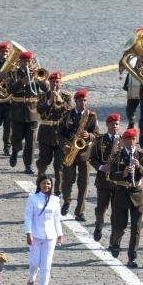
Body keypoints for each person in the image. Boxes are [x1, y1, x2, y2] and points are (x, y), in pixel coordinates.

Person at [107, 128, 143, 268]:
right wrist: (124, 173)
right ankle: (115, 243)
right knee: (119, 226)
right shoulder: (117, 155)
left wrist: (139, 168)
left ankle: (132, 257)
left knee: (136, 228)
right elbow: (110, 175)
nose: (131, 142)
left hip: (137, 195)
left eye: (134, 140)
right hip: (121, 193)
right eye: (129, 140)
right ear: (124, 141)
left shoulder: (142, 155)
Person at [59, 88, 97, 221]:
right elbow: (60, 133)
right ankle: (67, 200)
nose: (83, 103)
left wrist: (90, 135)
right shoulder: (67, 115)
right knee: (67, 182)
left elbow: (97, 134)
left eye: (85, 100)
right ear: (75, 101)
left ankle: (80, 211)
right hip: (70, 152)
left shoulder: (91, 116)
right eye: (81, 100)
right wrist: (64, 145)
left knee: (84, 184)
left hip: (84, 155)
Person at [24, 174, 63, 285]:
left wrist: (60, 234)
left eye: (48, 184)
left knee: (46, 265)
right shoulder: (32, 198)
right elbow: (28, 217)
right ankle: (31, 278)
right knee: (34, 263)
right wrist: (28, 232)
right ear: (39, 185)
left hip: (50, 235)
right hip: (36, 235)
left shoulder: (55, 200)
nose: (46, 186)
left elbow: (57, 218)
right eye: (44, 183)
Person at [35, 71, 71, 194]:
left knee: (59, 165)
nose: (55, 84)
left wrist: (60, 100)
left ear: (60, 83)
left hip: (60, 135)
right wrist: (50, 101)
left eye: (57, 82)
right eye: (52, 82)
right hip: (45, 133)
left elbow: (70, 112)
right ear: (49, 83)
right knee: (44, 160)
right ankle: (41, 176)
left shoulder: (66, 96)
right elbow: (39, 110)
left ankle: (57, 190)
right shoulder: (42, 96)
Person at [8, 51, 44, 174]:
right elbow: (10, 89)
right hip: (17, 110)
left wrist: (39, 79)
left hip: (33, 112)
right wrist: (22, 81)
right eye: (24, 61)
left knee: (31, 141)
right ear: (20, 62)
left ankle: (28, 165)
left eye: (29, 61)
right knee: (16, 138)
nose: (27, 64)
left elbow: (46, 88)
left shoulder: (37, 73)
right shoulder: (13, 74)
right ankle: (14, 151)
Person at [89, 113, 121, 242]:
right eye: (112, 124)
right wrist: (101, 167)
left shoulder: (123, 141)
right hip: (103, 181)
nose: (115, 126)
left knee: (116, 212)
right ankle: (98, 226)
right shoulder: (100, 140)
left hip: (118, 182)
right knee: (101, 210)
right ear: (107, 125)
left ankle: (114, 239)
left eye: (117, 124)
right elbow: (92, 158)